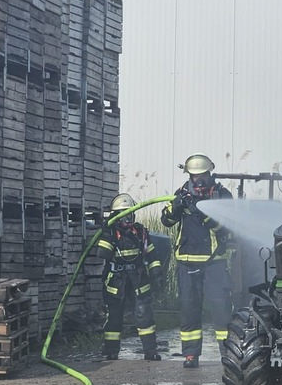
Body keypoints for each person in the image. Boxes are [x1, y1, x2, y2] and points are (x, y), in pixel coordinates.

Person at [160, 153, 234, 368]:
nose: (198, 181)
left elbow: (226, 227)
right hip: (186, 261)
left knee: (221, 309)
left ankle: (227, 353)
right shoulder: (182, 194)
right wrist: (176, 206)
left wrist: (203, 215)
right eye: (195, 177)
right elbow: (166, 221)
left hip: (214, 262)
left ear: (209, 174)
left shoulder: (221, 195)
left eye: (202, 176)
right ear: (189, 177)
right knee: (189, 308)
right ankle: (191, 355)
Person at [95, 193, 164, 361]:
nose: (128, 219)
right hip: (117, 281)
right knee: (114, 317)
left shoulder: (140, 232)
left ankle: (150, 350)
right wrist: (106, 233)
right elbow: (102, 254)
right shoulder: (110, 233)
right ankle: (111, 351)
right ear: (116, 217)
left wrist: (156, 274)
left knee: (144, 316)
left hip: (139, 280)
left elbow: (152, 254)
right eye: (123, 215)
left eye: (130, 215)